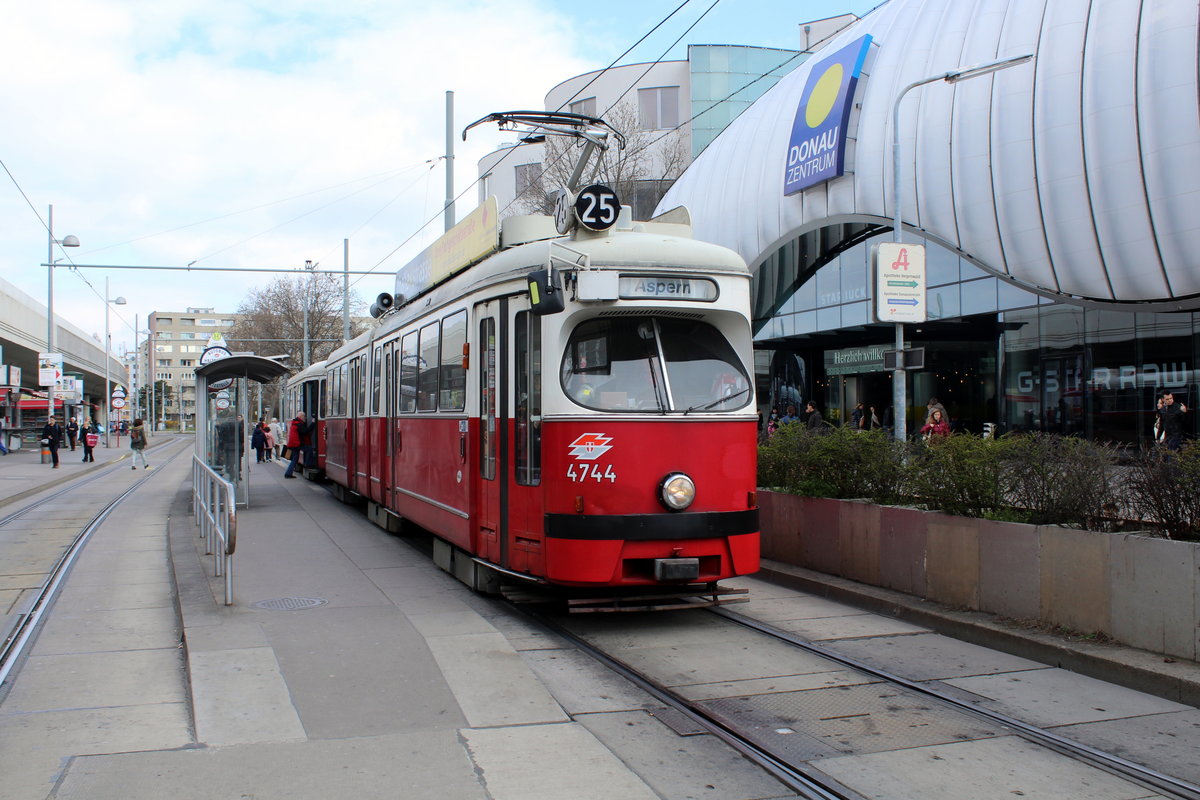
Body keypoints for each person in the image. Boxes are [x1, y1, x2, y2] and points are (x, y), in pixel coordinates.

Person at [283, 411, 314, 479]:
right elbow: (305, 431)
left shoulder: (295, 423)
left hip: (293, 444)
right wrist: (313, 423)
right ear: (301, 417)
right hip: (297, 444)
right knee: (309, 449)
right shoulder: (299, 424)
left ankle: (288, 473)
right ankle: (308, 464)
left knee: (294, 459)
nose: (305, 417)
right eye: (304, 416)